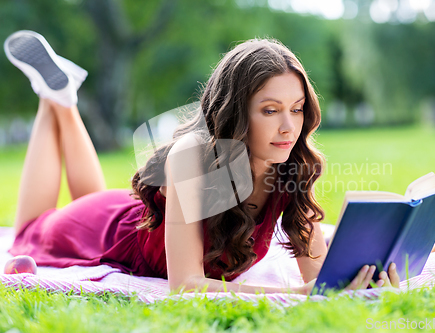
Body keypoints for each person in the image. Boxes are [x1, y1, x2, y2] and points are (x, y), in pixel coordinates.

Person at [4, 30, 400, 294]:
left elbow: (317, 279)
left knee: (87, 196)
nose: (288, 127)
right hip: (106, 231)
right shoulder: (193, 157)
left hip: (130, 215)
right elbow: (186, 285)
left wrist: (361, 282)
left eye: (296, 110)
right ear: (235, 113)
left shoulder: (290, 164)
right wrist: (292, 295)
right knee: (30, 230)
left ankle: (63, 96)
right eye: (269, 110)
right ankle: (52, 97)